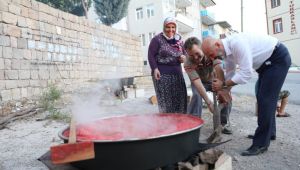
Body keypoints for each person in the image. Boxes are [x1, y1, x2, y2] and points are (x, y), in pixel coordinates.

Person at [201, 33, 291, 156]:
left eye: (211, 54)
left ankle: (260, 144)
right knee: (262, 98)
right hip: (265, 66)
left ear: (217, 44)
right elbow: (231, 72)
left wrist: (223, 85)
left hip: (277, 59)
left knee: (266, 100)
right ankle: (269, 133)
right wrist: (225, 91)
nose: (212, 58)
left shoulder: (237, 44)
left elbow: (246, 74)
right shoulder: (226, 52)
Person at [183, 37, 232, 134]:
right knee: (197, 95)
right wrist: (209, 103)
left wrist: (222, 90)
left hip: (213, 80)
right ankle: (194, 123)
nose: (195, 58)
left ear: (202, 48)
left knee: (226, 95)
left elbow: (219, 69)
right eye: (192, 55)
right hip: (200, 82)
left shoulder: (210, 51)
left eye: (197, 53)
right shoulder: (188, 63)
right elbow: (197, 82)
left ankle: (223, 123)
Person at [148, 17, 187, 113]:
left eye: (173, 27)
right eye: (168, 27)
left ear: (176, 28)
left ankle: (179, 123)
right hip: (162, 75)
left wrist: (184, 57)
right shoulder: (157, 39)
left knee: (180, 99)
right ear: (164, 27)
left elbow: (185, 53)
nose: (171, 30)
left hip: (177, 74)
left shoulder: (180, 40)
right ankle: (167, 124)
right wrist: (155, 69)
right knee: (166, 102)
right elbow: (150, 55)